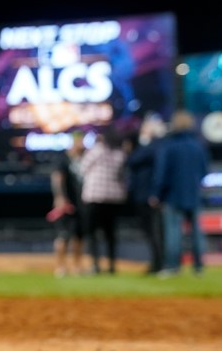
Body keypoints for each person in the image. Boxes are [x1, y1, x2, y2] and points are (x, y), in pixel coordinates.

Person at [149, 110, 209, 277]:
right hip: (193, 195)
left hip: (172, 196)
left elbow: (161, 173)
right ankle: (198, 267)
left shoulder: (169, 146)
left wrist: (156, 193)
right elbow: (205, 171)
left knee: (173, 233)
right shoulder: (198, 145)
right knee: (196, 233)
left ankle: (172, 267)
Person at [78, 129, 128, 274]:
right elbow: (122, 174)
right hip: (114, 197)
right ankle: (111, 265)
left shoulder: (97, 150)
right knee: (110, 233)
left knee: (92, 232)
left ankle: (95, 265)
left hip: (94, 196)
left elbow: (82, 168)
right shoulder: (120, 153)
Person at [125, 115, 167, 274]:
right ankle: (157, 263)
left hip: (148, 196)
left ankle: (159, 264)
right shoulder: (154, 146)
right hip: (145, 194)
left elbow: (133, 160)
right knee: (151, 232)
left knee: (154, 231)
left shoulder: (154, 146)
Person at [48, 133, 85, 277]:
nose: (81, 144)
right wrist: (60, 198)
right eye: (79, 140)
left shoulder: (83, 158)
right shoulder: (62, 159)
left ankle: (77, 267)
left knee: (79, 236)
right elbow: (57, 178)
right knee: (63, 236)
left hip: (80, 204)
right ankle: (60, 267)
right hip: (65, 204)